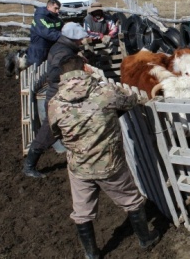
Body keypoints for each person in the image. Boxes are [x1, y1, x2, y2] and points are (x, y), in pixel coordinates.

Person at [48, 55, 160, 258]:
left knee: (82, 212)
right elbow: (130, 101)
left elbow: (56, 133)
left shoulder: (55, 103)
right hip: (109, 164)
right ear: (85, 68)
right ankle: (145, 238)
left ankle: (92, 254)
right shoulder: (105, 93)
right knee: (132, 201)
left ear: (63, 75)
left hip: (79, 166)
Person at [22, 22, 89, 178]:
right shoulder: (63, 52)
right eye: (79, 39)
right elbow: (54, 74)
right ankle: (29, 166)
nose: (81, 42)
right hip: (58, 98)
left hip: (61, 96)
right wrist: (77, 67)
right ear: (72, 39)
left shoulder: (61, 47)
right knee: (48, 133)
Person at [26, 0, 64, 66]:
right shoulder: (40, 17)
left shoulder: (56, 19)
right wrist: (63, 36)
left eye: (58, 9)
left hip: (50, 48)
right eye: (56, 8)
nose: (57, 11)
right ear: (48, 7)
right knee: (36, 70)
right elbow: (47, 32)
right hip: (38, 50)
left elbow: (63, 28)